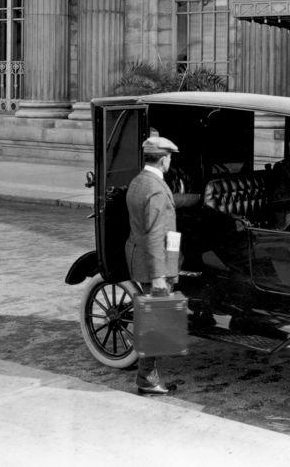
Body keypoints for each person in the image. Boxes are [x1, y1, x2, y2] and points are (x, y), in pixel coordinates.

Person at [125, 136, 182, 395]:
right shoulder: (157, 189)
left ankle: (149, 375)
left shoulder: (139, 182)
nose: (170, 161)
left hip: (142, 257)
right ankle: (146, 378)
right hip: (154, 264)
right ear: (162, 159)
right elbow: (154, 235)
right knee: (156, 320)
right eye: (169, 157)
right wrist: (159, 275)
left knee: (155, 318)